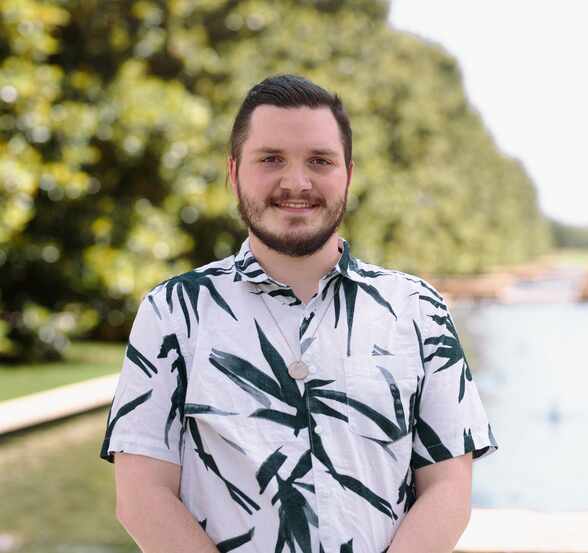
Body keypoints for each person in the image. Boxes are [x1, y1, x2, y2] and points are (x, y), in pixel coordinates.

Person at [100, 74, 498, 553]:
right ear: (234, 173)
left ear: (347, 174)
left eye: (319, 161)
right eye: (270, 159)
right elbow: (142, 495)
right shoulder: (172, 312)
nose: (296, 182)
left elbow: (448, 489)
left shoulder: (419, 310)